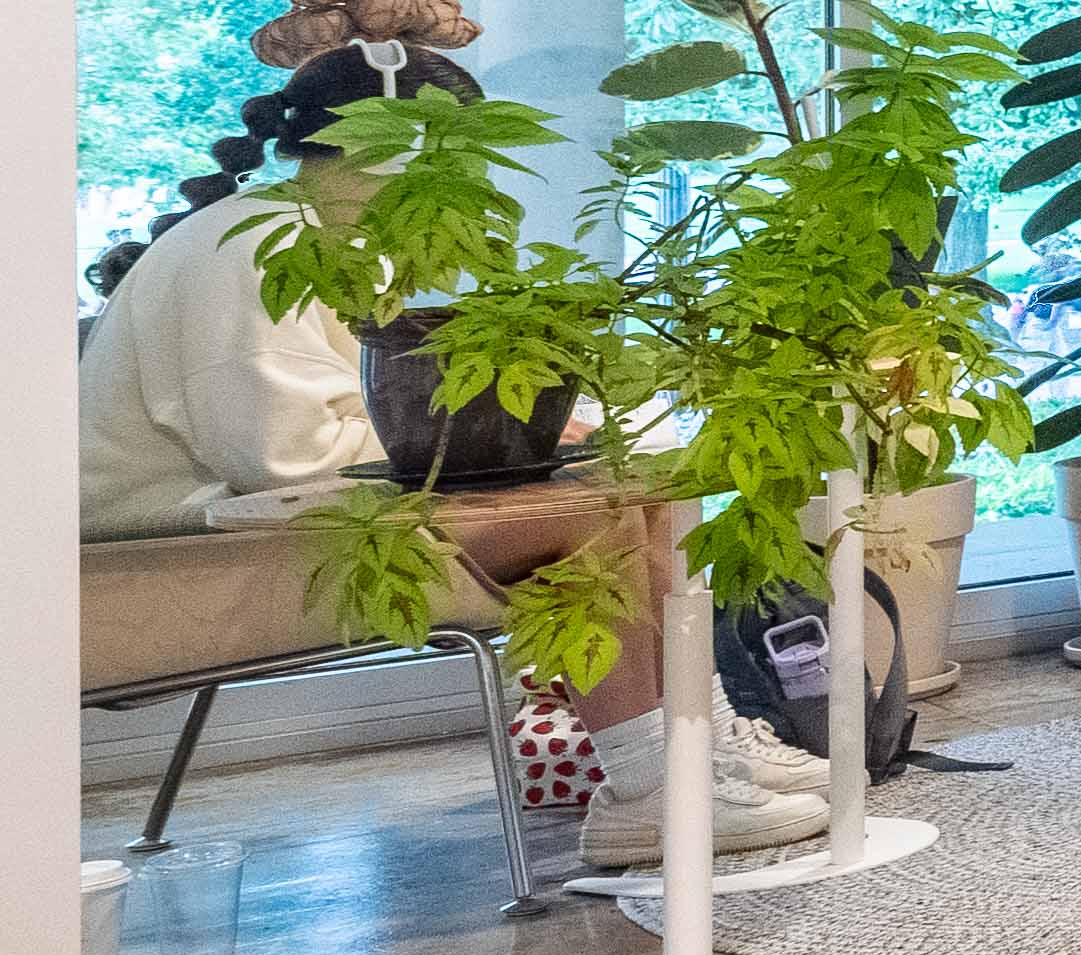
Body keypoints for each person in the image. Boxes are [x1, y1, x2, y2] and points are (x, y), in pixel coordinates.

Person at [81, 47, 811, 863]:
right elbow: (285, 455)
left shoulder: (339, 240)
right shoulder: (250, 247)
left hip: (266, 522)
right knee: (585, 526)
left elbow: (366, 421)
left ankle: (697, 743)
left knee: (648, 498)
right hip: (170, 557)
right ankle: (649, 788)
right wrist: (504, 438)